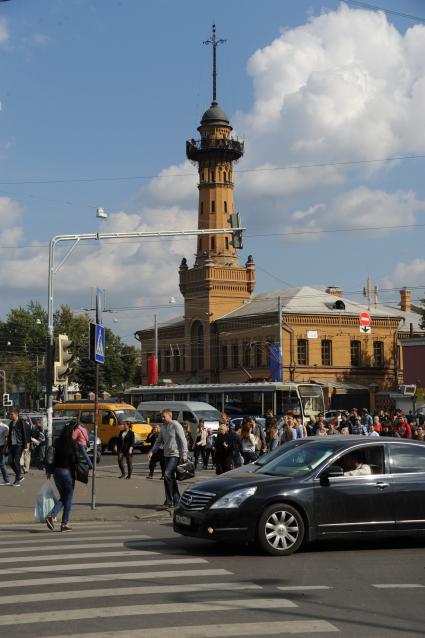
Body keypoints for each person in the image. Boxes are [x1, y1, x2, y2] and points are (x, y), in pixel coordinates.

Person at [148, 408, 188, 509]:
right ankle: (176, 500)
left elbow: (183, 440)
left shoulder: (175, 425)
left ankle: (169, 501)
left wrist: (184, 454)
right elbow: (158, 441)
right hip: (166, 455)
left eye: (164, 417)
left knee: (167, 474)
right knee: (170, 478)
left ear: (170, 416)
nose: (162, 418)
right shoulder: (163, 427)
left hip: (175, 454)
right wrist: (152, 451)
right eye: (161, 417)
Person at [45, 421, 79, 531]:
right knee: (68, 498)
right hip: (67, 472)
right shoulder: (73, 443)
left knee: (64, 497)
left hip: (56, 473)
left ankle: (52, 516)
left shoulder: (57, 442)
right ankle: (63, 522)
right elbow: (75, 460)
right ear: (71, 432)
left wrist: (49, 470)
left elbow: (51, 457)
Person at [7, 408, 28, 487]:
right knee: (10, 461)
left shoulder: (21, 422)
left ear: (16, 414)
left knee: (16, 462)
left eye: (11, 414)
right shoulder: (11, 423)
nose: (10, 415)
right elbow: (9, 436)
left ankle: (17, 480)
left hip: (19, 445)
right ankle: (19, 475)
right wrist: (8, 446)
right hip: (12, 445)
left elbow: (24, 434)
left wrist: (25, 446)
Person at [0, 419, 11, 485]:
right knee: (1, 463)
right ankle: (6, 479)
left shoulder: (5, 427)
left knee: (2, 463)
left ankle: (7, 480)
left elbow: (7, 439)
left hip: (1, 446)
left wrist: (4, 448)